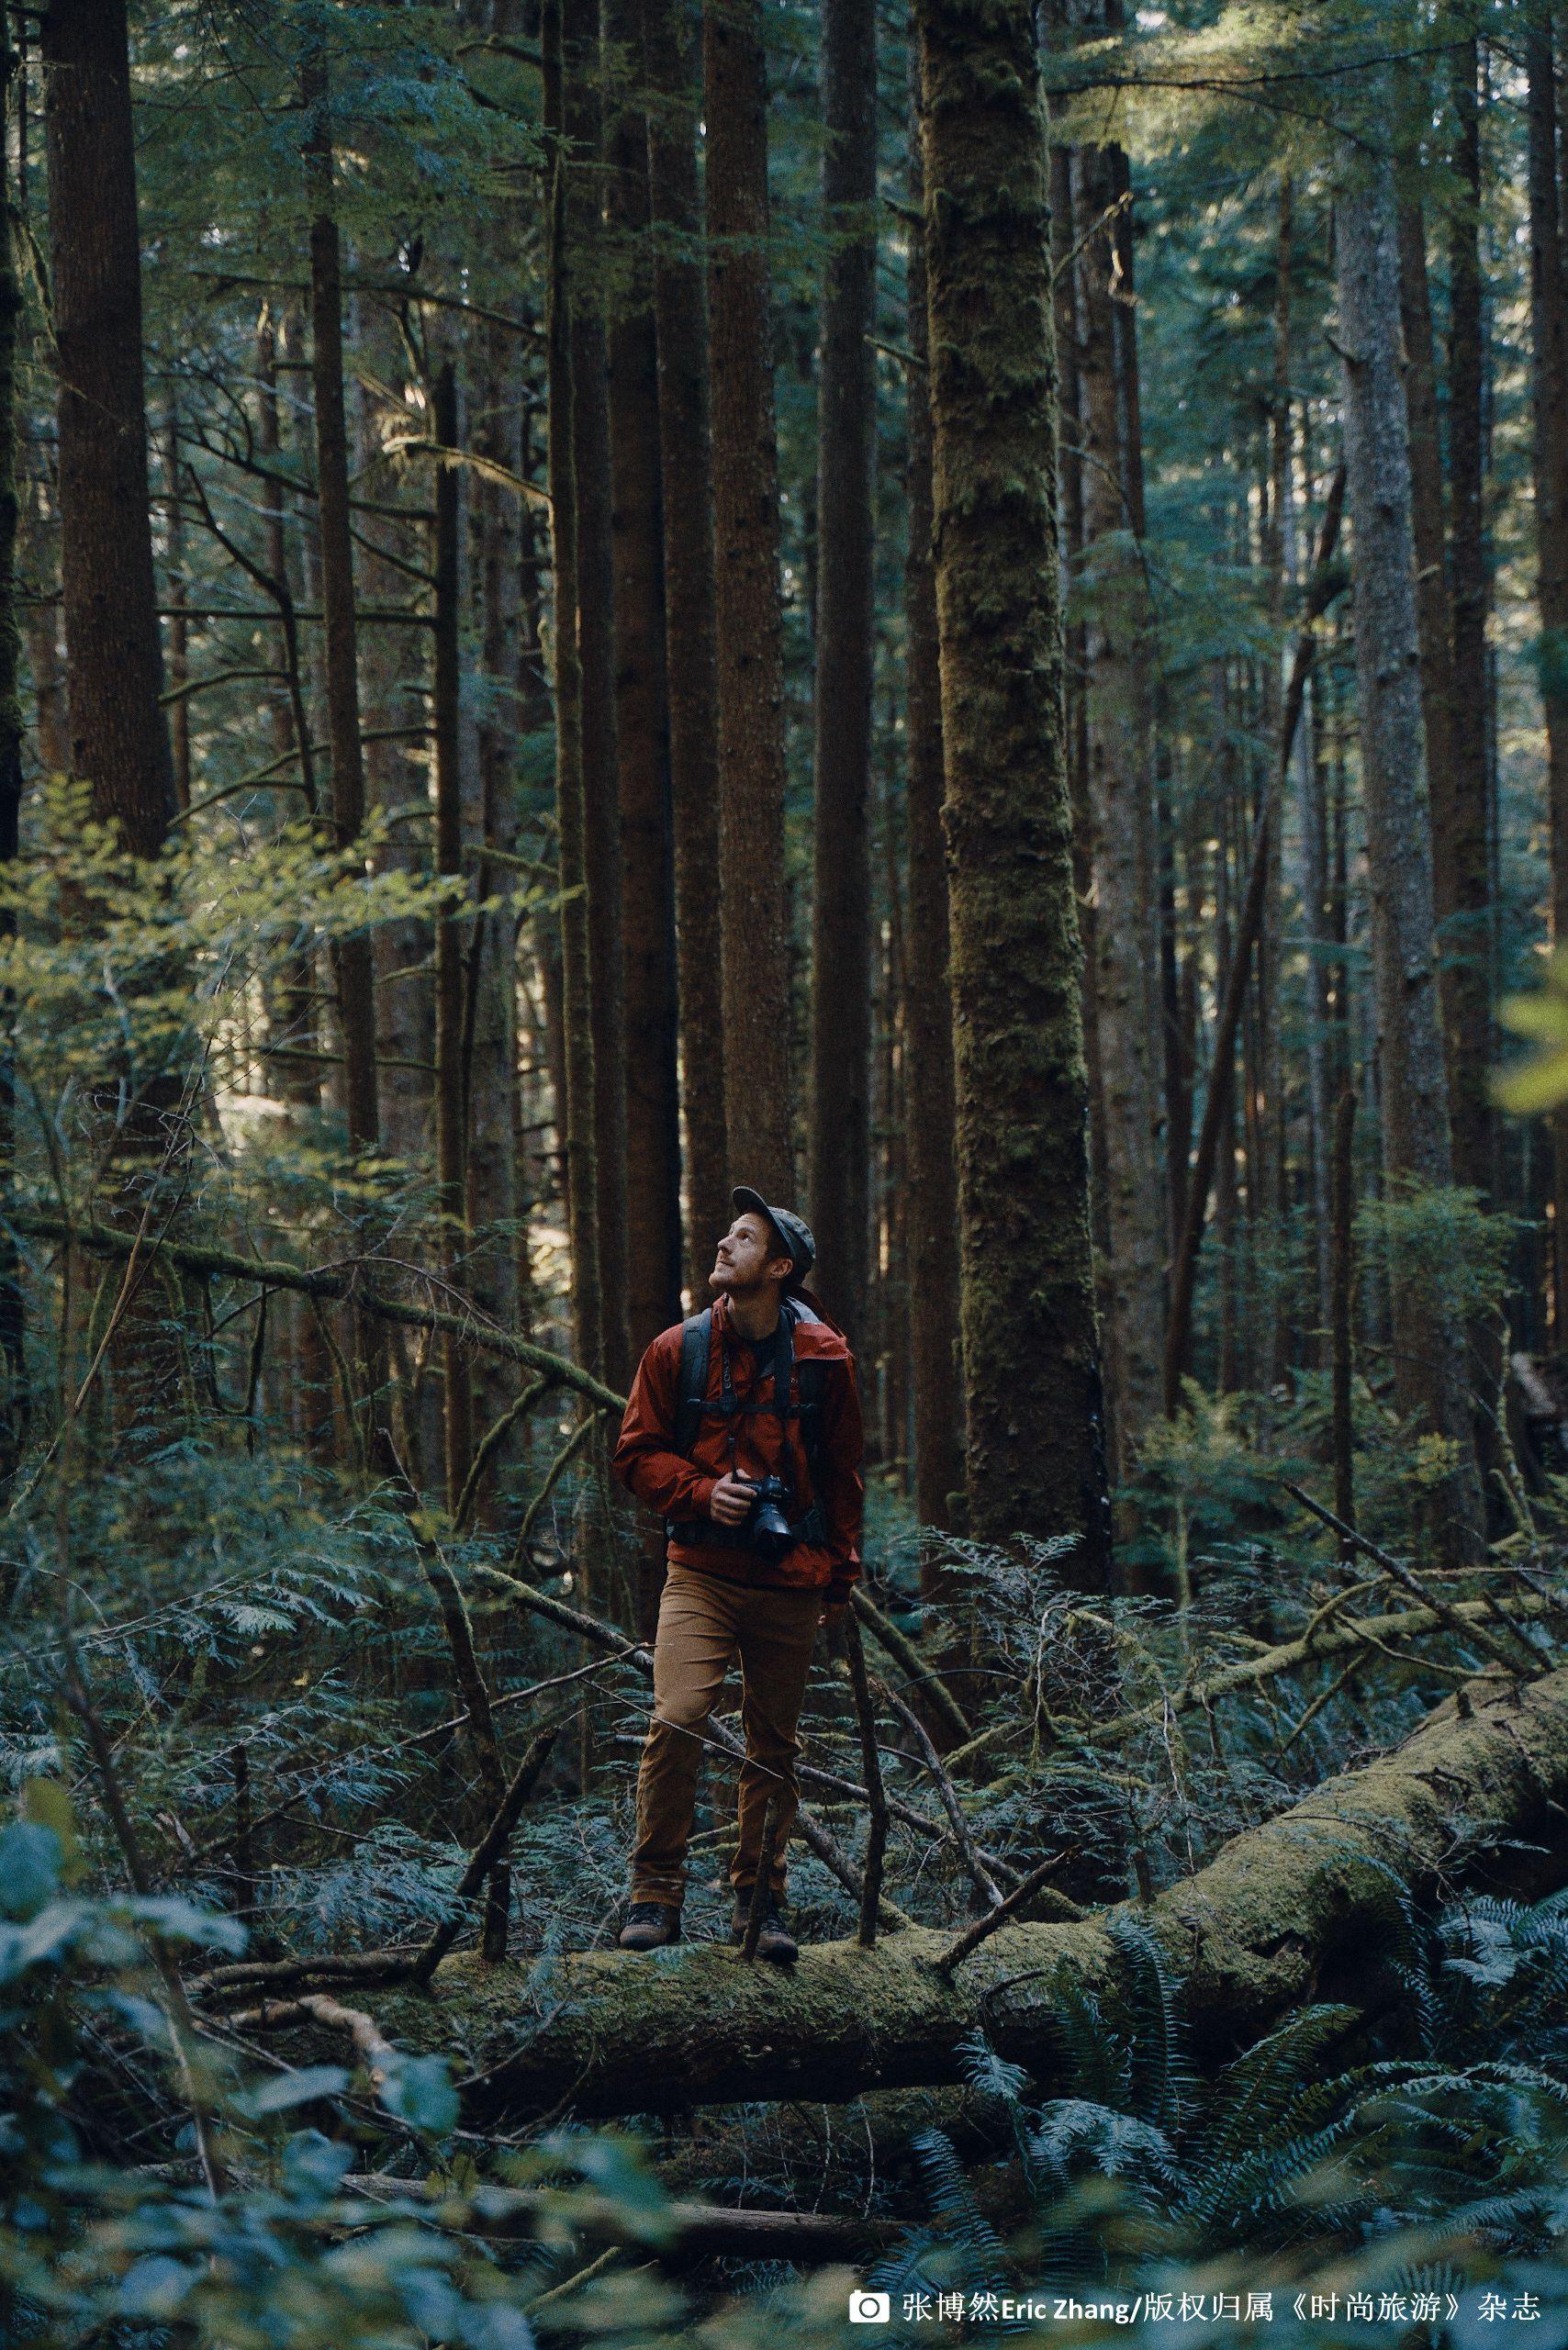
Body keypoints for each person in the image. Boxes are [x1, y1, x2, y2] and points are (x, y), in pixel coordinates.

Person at [610, 1186, 865, 1961]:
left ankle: (761, 1902)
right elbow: (634, 1453)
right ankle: (654, 1894)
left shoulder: (827, 1358)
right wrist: (700, 1492)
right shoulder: (676, 1349)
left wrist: (839, 1581)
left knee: (773, 1747)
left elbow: (843, 1475)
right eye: (726, 1234)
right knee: (678, 1716)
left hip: (791, 1577)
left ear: (780, 1267)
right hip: (701, 1573)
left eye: (744, 1238)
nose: (724, 1245)